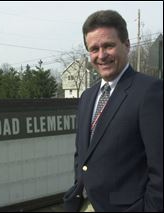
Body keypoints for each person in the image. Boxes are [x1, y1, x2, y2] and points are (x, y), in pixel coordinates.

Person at [63, 10, 163, 212]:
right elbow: (82, 154)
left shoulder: (149, 92)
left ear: (126, 45)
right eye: (94, 49)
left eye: (108, 45)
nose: (101, 55)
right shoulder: (87, 97)